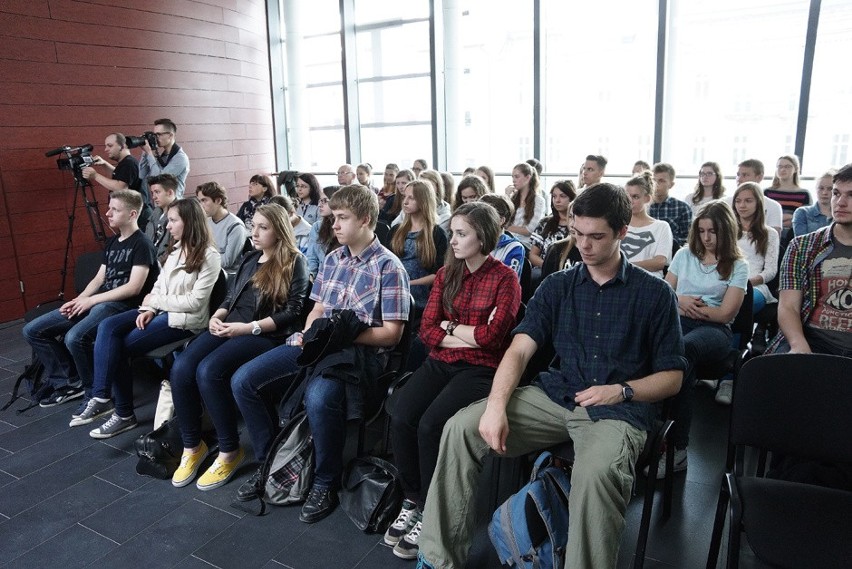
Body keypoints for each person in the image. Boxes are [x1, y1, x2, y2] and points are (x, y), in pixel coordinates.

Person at [416, 183, 685, 569]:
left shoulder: (655, 294)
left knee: (595, 475)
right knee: (461, 428)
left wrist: (622, 391)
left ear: (622, 232)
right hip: (558, 396)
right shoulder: (559, 285)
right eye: (578, 234)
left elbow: (672, 376)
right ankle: (438, 558)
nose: (584, 245)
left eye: (596, 236)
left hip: (618, 409)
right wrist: (495, 406)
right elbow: (520, 349)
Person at [228, 184, 410, 523]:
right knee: (244, 381)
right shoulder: (333, 258)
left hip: (359, 359)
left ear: (367, 219)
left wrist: (342, 335)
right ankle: (272, 461)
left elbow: (392, 334)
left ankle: (325, 480)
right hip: (320, 346)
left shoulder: (389, 267)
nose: (335, 225)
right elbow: (318, 309)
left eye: (343, 218)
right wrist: (313, 334)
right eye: (334, 217)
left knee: (318, 396)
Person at [385, 202, 521, 560]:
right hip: (442, 360)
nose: (454, 241)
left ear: (483, 237)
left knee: (431, 426)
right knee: (401, 415)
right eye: (454, 233)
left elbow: (492, 339)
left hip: (480, 368)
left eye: (462, 234)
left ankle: (433, 510)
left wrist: (452, 327)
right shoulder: (448, 274)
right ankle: (413, 497)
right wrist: (463, 332)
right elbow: (426, 330)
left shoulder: (505, 278)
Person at [169, 204, 309, 491]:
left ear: (279, 231)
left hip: (263, 333)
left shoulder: (295, 261)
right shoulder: (250, 257)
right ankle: (192, 445)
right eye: (253, 225)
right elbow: (231, 296)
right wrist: (218, 316)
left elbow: (293, 312)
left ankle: (229, 451)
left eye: (263, 227)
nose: (254, 232)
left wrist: (249, 327)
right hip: (231, 325)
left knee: (209, 371)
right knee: (181, 367)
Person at [80, 199, 221, 437]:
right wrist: (151, 309)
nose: (167, 226)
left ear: (190, 222)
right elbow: (157, 287)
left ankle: (123, 413)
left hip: (185, 321)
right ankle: (102, 395)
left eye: (173, 221)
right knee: (108, 326)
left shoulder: (209, 255)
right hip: (162, 312)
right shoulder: (175, 251)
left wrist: (154, 304)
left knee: (118, 348)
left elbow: (195, 302)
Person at [23, 190, 158, 408]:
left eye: (115, 209)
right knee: (33, 330)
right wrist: (79, 299)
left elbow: (134, 288)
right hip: (98, 301)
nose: (108, 213)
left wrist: (91, 301)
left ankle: (93, 393)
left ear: (132, 214)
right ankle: (70, 381)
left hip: (121, 306)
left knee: (74, 337)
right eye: (109, 208)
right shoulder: (113, 242)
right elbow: (99, 278)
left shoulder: (142, 244)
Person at [663, 201, 747, 474]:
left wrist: (690, 307)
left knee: (684, 351)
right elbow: (665, 294)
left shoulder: (737, 265)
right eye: (702, 231)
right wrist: (681, 301)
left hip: (715, 331)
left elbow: (725, 314)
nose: (707, 238)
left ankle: (677, 447)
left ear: (726, 231)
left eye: (713, 231)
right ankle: (647, 433)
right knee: (651, 345)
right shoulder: (684, 254)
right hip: (679, 318)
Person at [766, 163, 852, 357]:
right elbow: (788, 306)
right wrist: (798, 345)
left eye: (851, 195)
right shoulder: (802, 246)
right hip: (811, 339)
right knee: (771, 378)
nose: (840, 202)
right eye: (837, 193)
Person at [731, 182, 779, 362]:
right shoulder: (728, 230)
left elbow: (771, 271)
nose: (742, 205)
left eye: (748, 201)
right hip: (726, 284)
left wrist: (746, 284)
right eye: (738, 201)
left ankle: (731, 368)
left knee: (740, 303)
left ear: (758, 203)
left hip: (756, 286)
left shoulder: (770, 233)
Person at [388, 179, 448, 314]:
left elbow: (439, 274)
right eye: (405, 197)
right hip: (395, 297)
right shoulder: (395, 230)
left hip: (423, 301)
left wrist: (409, 283)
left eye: (411, 198)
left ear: (423, 201)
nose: (405, 202)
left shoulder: (436, 234)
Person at [81, 133, 147, 227]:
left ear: (123, 146)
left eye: (110, 146)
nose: (106, 149)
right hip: (132, 215)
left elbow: (120, 187)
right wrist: (104, 164)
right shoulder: (126, 162)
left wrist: (95, 176)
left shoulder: (129, 163)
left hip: (137, 218)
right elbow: (120, 175)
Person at [622, 171, 673, 278]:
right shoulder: (618, 224)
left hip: (650, 281)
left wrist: (624, 267)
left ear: (647, 198)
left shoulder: (661, 227)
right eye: (627, 196)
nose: (630, 201)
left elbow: (660, 262)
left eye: (635, 197)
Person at [196, 181, 248, 275]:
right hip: (208, 272)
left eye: (204, 200)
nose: (201, 206)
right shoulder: (207, 221)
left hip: (227, 277)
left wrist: (200, 260)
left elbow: (227, 261)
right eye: (200, 201)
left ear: (218, 201)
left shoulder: (235, 226)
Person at [529, 180, 575, 272]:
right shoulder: (544, 223)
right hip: (544, 269)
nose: (557, 200)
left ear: (571, 198)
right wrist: (549, 267)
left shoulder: (577, 223)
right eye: (554, 196)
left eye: (562, 196)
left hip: (571, 270)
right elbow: (533, 255)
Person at [138, 118, 190, 199]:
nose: (155, 138)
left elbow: (159, 180)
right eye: (154, 135)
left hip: (175, 205)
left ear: (170, 135)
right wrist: (145, 151)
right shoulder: (162, 156)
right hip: (160, 204)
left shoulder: (180, 158)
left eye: (159, 134)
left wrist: (149, 153)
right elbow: (141, 175)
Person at [480, 194, 525, 280]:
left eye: (485, 217)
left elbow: (506, 282)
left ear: (501, 220)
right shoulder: (472, 241)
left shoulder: (514, 247)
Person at [764, 154, 811, 233]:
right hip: (769, 232)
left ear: (795, 169)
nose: (783, 169)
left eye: (787, 167)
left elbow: (807, 217)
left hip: (794, 233)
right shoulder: (767, 192)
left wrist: (793, 218)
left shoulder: (804, 194)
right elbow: (762, 214)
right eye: (780, 166)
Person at [648, 162, 692, 247]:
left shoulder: (682, 208)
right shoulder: (642, 206)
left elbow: (687, 239)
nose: (655, 184)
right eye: (653, 180)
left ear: (671, 185)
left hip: (672, 253)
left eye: (661, 181)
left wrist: (665, 242)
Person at [735, 159, 783, 233]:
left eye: (745, 175)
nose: (739, 179)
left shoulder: (773, 206)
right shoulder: (725, 202)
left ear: (759, 177)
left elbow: (773, 237)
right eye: (738, 175)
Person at [507, 162, 547, 247]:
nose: (513, 180)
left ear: (528, 178)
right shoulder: (513, 198)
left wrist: (506, 228)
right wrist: (506, 197)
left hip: (526, 245)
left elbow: (530, 230)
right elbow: (502, 220)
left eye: (517, 176)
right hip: (509, 242)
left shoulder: (539, 200)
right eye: (512, 177)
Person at [305, 185, 341, 279]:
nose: (319, 205)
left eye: (324, 201)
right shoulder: (317, 227)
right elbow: (312, 258)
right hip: (321, 279)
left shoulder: (345, 228)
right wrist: (312, 279)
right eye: (320, 201)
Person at [146, 174, 179, 260]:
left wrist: (156, 267)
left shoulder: (182, 214)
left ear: (170, 193)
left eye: (157, 192)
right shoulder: (155, 213)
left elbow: (175, 250)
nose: (153, 197)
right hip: (149, 260)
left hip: (164, 265)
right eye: (152, 193)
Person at [793, 170, 835, 236]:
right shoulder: (803, 212)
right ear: (816, 189)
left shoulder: (842, 214)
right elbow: (801, 242)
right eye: (821, 188)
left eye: (830, 189)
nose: (824, 193)